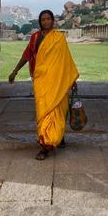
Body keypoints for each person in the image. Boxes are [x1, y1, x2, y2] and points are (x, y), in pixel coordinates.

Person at [8, 9, 79, 160]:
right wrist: (15, 71)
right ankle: (49, 140)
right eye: (43, 19)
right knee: (43, 111)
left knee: (59, 109)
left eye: (48, 19)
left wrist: (71, 80)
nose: (46, 22)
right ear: (40, 22)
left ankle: (48, 145)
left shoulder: (59, 38)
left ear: (53, 21)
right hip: (41, 80)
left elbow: (66, 61)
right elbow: (27, 55)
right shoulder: (35, 38)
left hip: (57, 81)